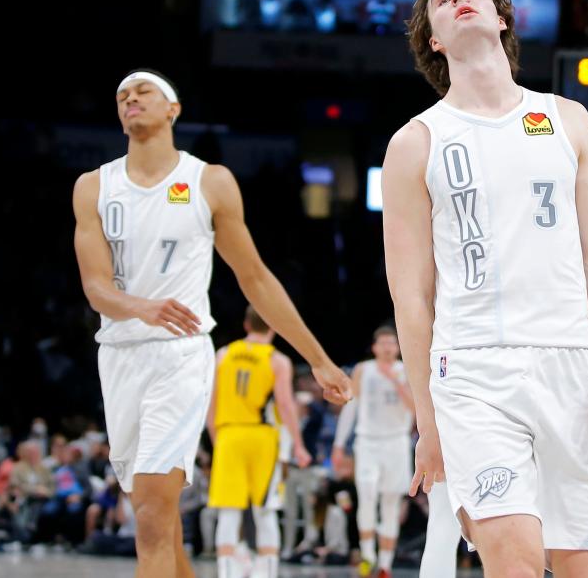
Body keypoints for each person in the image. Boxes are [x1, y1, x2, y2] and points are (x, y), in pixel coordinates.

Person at [383, 0, 588, 578]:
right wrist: (428, 418)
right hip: (473, 369)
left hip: (571, 363)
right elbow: (411, 294)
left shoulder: (568, 118)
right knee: (516, 563)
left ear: (501, 18)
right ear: (435, 40)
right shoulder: (415, 143)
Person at [72, 69, 351, 578]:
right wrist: (140, 306)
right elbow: (95, 289)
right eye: (122, 96)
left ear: (173, 109)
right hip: (118, 355)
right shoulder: (93, 186)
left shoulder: (209, 181)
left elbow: (256, 278)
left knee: (153, 518)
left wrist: (319, 358)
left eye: (143, 92)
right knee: (153, 516)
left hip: (180, 355)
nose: (130, 99)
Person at [206, 305, 312, 578]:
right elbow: (286, 405)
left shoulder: (223, 355)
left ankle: (226, 572)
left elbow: (211, 401)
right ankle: (268, 572)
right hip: (263, 437)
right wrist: (298, 444)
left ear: (246, 325)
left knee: (228, 512)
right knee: (265, 511)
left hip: (229, 435)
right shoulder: (277, 360)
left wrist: (216, 436)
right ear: (273, 328)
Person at [332, 325, 414, 578]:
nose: (388, 348)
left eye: (392, 343)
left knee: (390, 502)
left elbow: (415, 408)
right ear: (375, 347)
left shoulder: (407, 369)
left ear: (398, 348)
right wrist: (338, 443)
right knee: (366, 496)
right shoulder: (363, 370)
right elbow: (350, 408)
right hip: (367, 441)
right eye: (384, 343)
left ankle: (385, 565)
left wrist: (394, 380)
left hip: (396, 442)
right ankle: (368, 555)